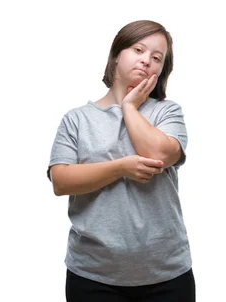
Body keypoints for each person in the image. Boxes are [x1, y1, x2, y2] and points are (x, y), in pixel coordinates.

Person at [48, 20, 195, 301]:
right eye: (138, 49)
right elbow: (61, 180)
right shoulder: (77, 119)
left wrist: (129, 106)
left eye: (156, 58)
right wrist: (120, 167)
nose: (146, 60)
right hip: (93, 274)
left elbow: (160, 155)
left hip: (167, 273)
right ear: (117, 54)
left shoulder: (167, 113)